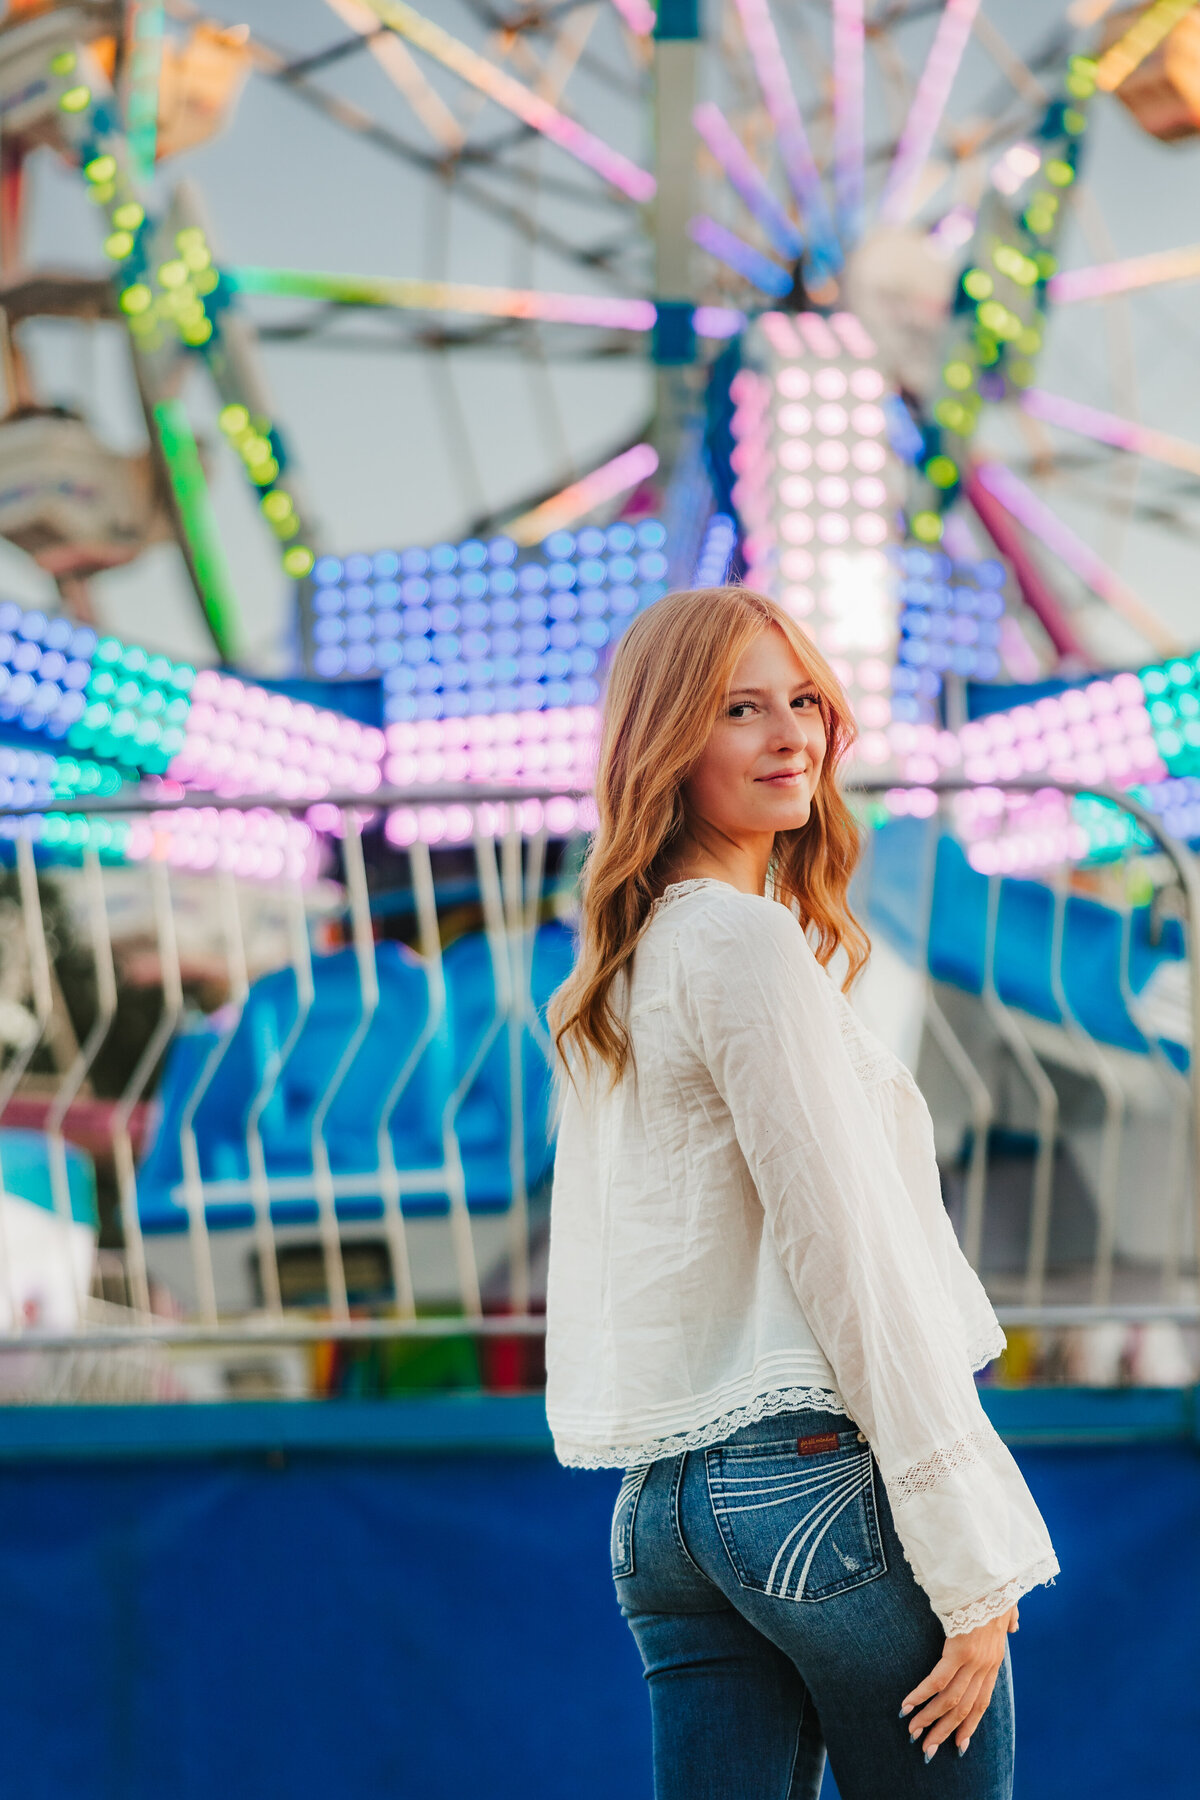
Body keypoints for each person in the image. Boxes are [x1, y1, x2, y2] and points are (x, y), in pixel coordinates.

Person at [545, 586, 1058, 1800]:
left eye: (804, 702)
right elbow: (853, 1254)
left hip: (665, 1516)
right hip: (806, 1485)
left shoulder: (618, 969)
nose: (792, 737)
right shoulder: (744, 946)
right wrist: (968, 1557)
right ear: (668, 739)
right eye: (740, 709)